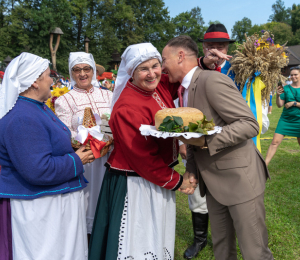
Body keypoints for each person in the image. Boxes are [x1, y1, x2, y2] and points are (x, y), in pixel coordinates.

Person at [162, 35, 274, 260]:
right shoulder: (185, 89)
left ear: (180, 56)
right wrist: (192, 168)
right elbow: (195, 133)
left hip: (240, 179)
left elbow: (250, 124)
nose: (163, 66)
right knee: (222, 248)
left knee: (254, 251)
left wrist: (207, 142)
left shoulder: (210, 81)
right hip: (212, 182)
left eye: (164, 59)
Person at [88, 43, 197, 260]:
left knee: (155, 234)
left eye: (156, 66)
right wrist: (177, 181)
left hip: (153, 177)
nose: (152, 74)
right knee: (138, 238)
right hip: (135, 183)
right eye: (143, 69)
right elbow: (142, 157)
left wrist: (204, 62)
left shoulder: (158, 85)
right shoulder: (127, 107)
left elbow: (177, 77)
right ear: (132, 72)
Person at [0, 52, 94, 260]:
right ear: (34, 81)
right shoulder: (22, 117)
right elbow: (38, 169)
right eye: (47, 75)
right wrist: (77, 160)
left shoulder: (36, 108)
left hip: (50, 205)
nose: (52, 80)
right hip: (40, 210)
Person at [55, 52, 113, 235]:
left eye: (86, 68)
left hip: (111, 155)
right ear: (71, 73)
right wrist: (89, 141)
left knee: (110, 199)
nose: (82, 74)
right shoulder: (65, 100)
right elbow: (64, 131)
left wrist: (109, 138)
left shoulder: (109, 95)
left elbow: (115, 122)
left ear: (93, 70)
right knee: (89, 202)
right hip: (86, 159)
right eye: (77, 70)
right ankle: (88, 240)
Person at [265, 66, 300, 166]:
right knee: (275, 142)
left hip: (299, 120)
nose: (293, 77)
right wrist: (278, 95)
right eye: (291, 75)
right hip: (286, 120)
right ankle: (264, 165)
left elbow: (292, 103)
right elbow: (280, 105)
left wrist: (294, 103)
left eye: (295, 74)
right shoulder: (286, 88)